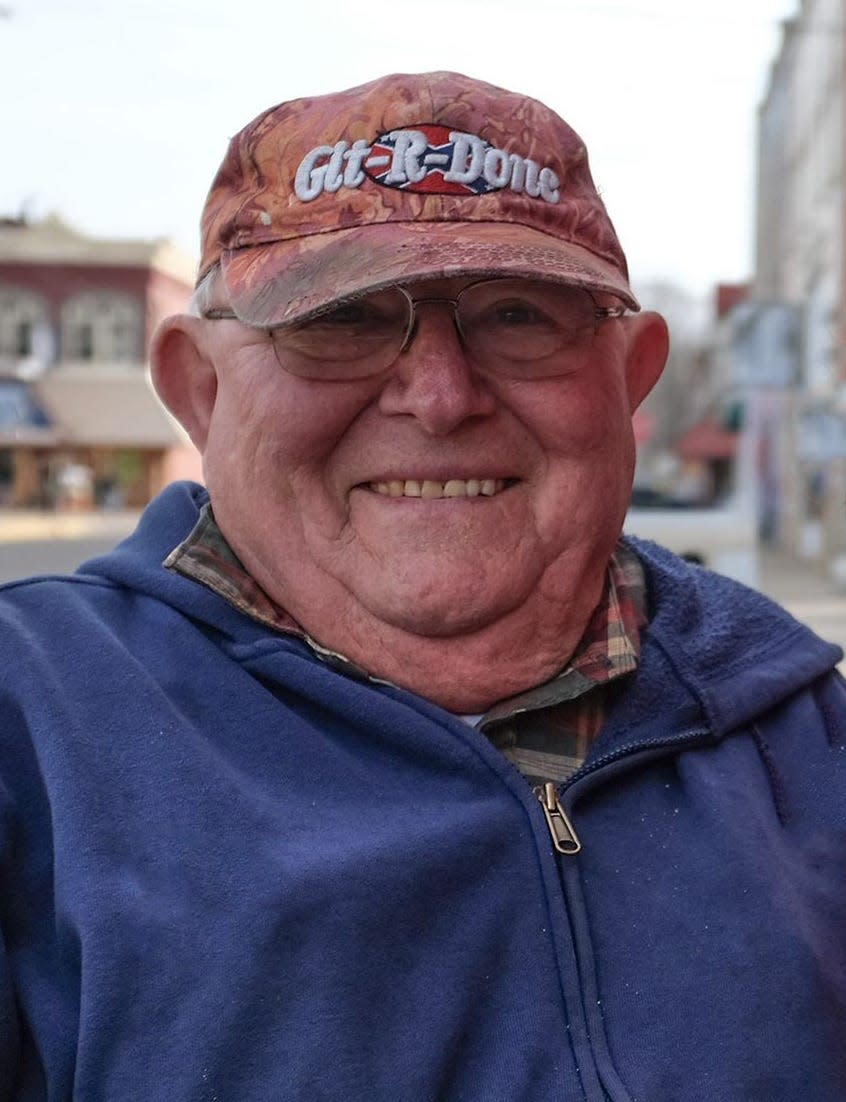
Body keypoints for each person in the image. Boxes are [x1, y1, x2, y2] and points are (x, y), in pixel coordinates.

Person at [1, 71, 844, 1102]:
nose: (439, 395)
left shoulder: (802, 729)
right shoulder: (32, 733)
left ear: (631, 380)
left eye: (518, 314)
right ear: (201, 390)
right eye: (344, 318)